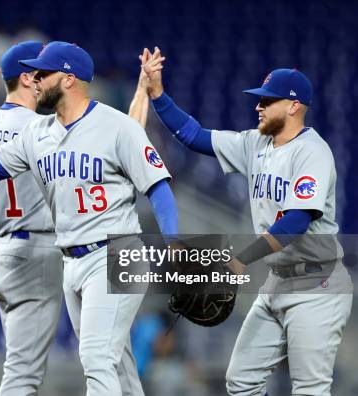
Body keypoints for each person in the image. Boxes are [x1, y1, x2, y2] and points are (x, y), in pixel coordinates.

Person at [0, 41, 179, 395]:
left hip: (116, 253)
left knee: (96, 358)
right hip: (71, 261)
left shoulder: (115, 125)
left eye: (42, 73)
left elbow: (159, 189)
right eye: (33, 73)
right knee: (117, 365)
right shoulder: (37, 132)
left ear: (68, 79)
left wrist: (173, 247)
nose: (34, 80)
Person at [141, 47, 353, 395]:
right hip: (277, 282)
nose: (258, 106)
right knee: (241, 381)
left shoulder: (312, 153)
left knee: (310, 389)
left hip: (318, 286)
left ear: (293, 106)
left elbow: (294, 222)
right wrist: (159, 95)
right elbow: (194, 136)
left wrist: (240, 259)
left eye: (267, 100)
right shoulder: (255, 143)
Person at [0, 41, 64, 396]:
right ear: (27, 78)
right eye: (40, 71)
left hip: (4, 251)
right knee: (23, 375)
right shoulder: (43, 128)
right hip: (36, 250)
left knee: (19, 365)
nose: (45, 77)